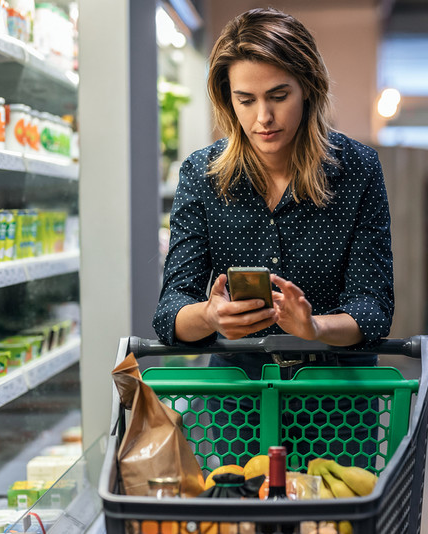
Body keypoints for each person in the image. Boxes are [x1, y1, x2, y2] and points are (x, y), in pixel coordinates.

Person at [152, 7, 394, 469]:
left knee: (330, 520)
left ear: (309, 88)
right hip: (234, 407)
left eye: (278, 95)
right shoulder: (201, 176)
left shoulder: (357, 170)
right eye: (245, 100)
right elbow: (170, 311)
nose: (263, 117)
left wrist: (315, 328)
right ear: (228, 100)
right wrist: (210, 315)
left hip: (337, 405)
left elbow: (373, 309)